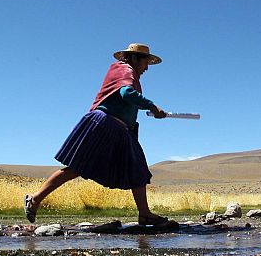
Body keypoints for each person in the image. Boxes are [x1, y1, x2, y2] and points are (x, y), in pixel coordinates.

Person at [24, 43, 171, 226]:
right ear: (134, 59)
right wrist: (151, 106)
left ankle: (145, 214)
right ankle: (35, 199)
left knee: (137, 169)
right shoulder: (125, 69)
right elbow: (126, 93)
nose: (147, 68)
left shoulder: (124, 71)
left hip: (119, 129)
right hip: (105, 125)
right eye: (145, 62)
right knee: (78, 167)